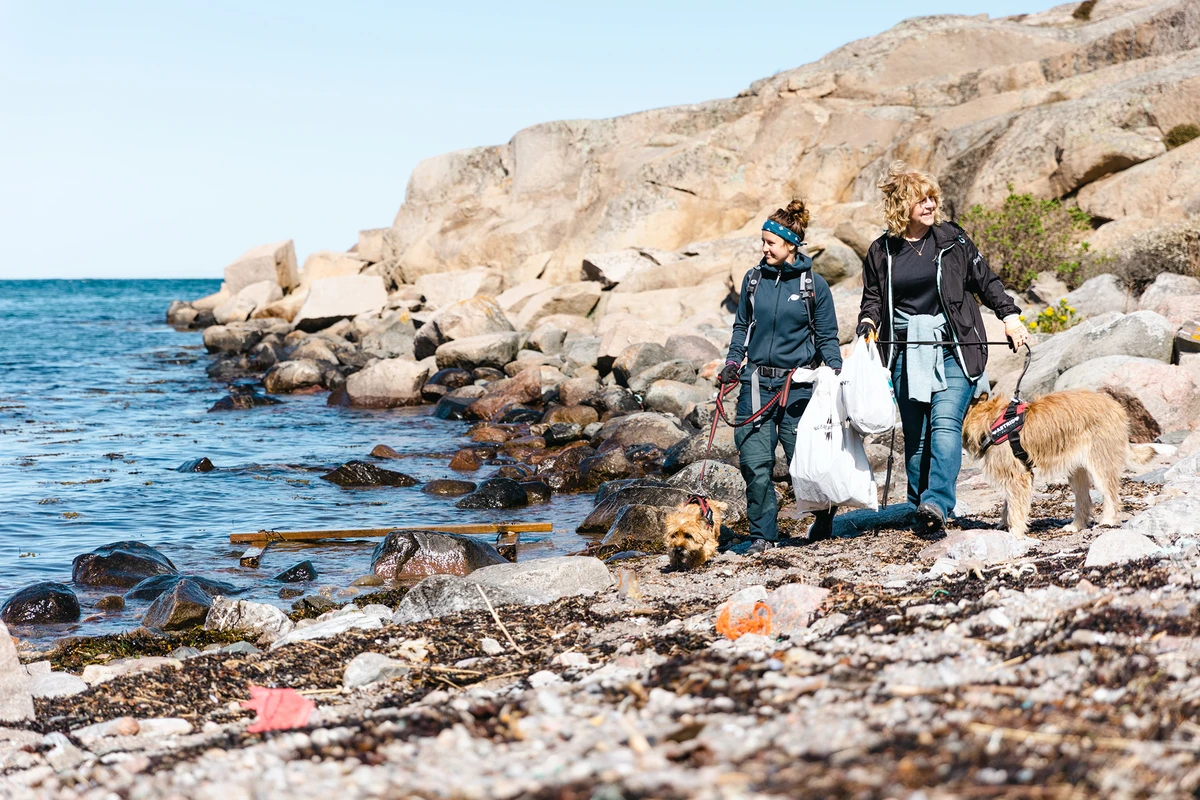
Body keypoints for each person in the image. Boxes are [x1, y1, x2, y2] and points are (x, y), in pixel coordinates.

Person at [856, 161, 1029, 535]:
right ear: (903, 206)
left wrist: (1010, 317)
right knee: (915, 435)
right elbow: (872, 298)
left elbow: (986, 281)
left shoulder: (954, 239)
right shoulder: (881, 251)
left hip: (956, 346)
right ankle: (921, 507)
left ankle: (937, 501)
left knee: (945, 423)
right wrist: (868, 324)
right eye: (922, 200)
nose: (931, 205)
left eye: (933, 198)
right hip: (905, 347)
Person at [720, 200, 843, 548]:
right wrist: (732, 363)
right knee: (755, 465)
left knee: (803, 466)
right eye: (763, 241)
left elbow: (827, 337)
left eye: (770, 242)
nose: (764, 248)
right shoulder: (752, 280)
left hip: (798, 388)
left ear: (790, 245)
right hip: (755, 384)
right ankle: (763, 536)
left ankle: (823, 517)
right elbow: (741, 326)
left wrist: (834, 370)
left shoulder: (813, 286)